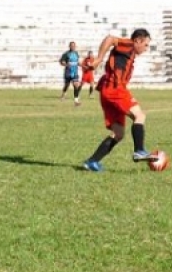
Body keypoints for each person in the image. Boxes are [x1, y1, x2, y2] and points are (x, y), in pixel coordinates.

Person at [81, 29, 158, 172]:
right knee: (139, 116)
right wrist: (98, 59)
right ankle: (139, 150)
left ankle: (91, 162)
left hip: (107, 91)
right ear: (138, 41)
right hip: (115, 89)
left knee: (118, 134)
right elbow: (110, 38)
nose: (146, 49)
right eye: (146, 45)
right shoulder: (128, 45)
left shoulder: (130, 53)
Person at [59, 41, 82, 106]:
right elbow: (61, 62)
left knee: (76, 85)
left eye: (74, 46)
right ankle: (63, 94)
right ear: (69, 46)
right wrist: (65, 64)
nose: (73, 47)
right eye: (72, 46)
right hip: (68, 72)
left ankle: (76, 101)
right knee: (67, 85)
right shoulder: (66, 54)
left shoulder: (76, 53)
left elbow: (77, 62)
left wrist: (80, 64)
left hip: (75, 72)